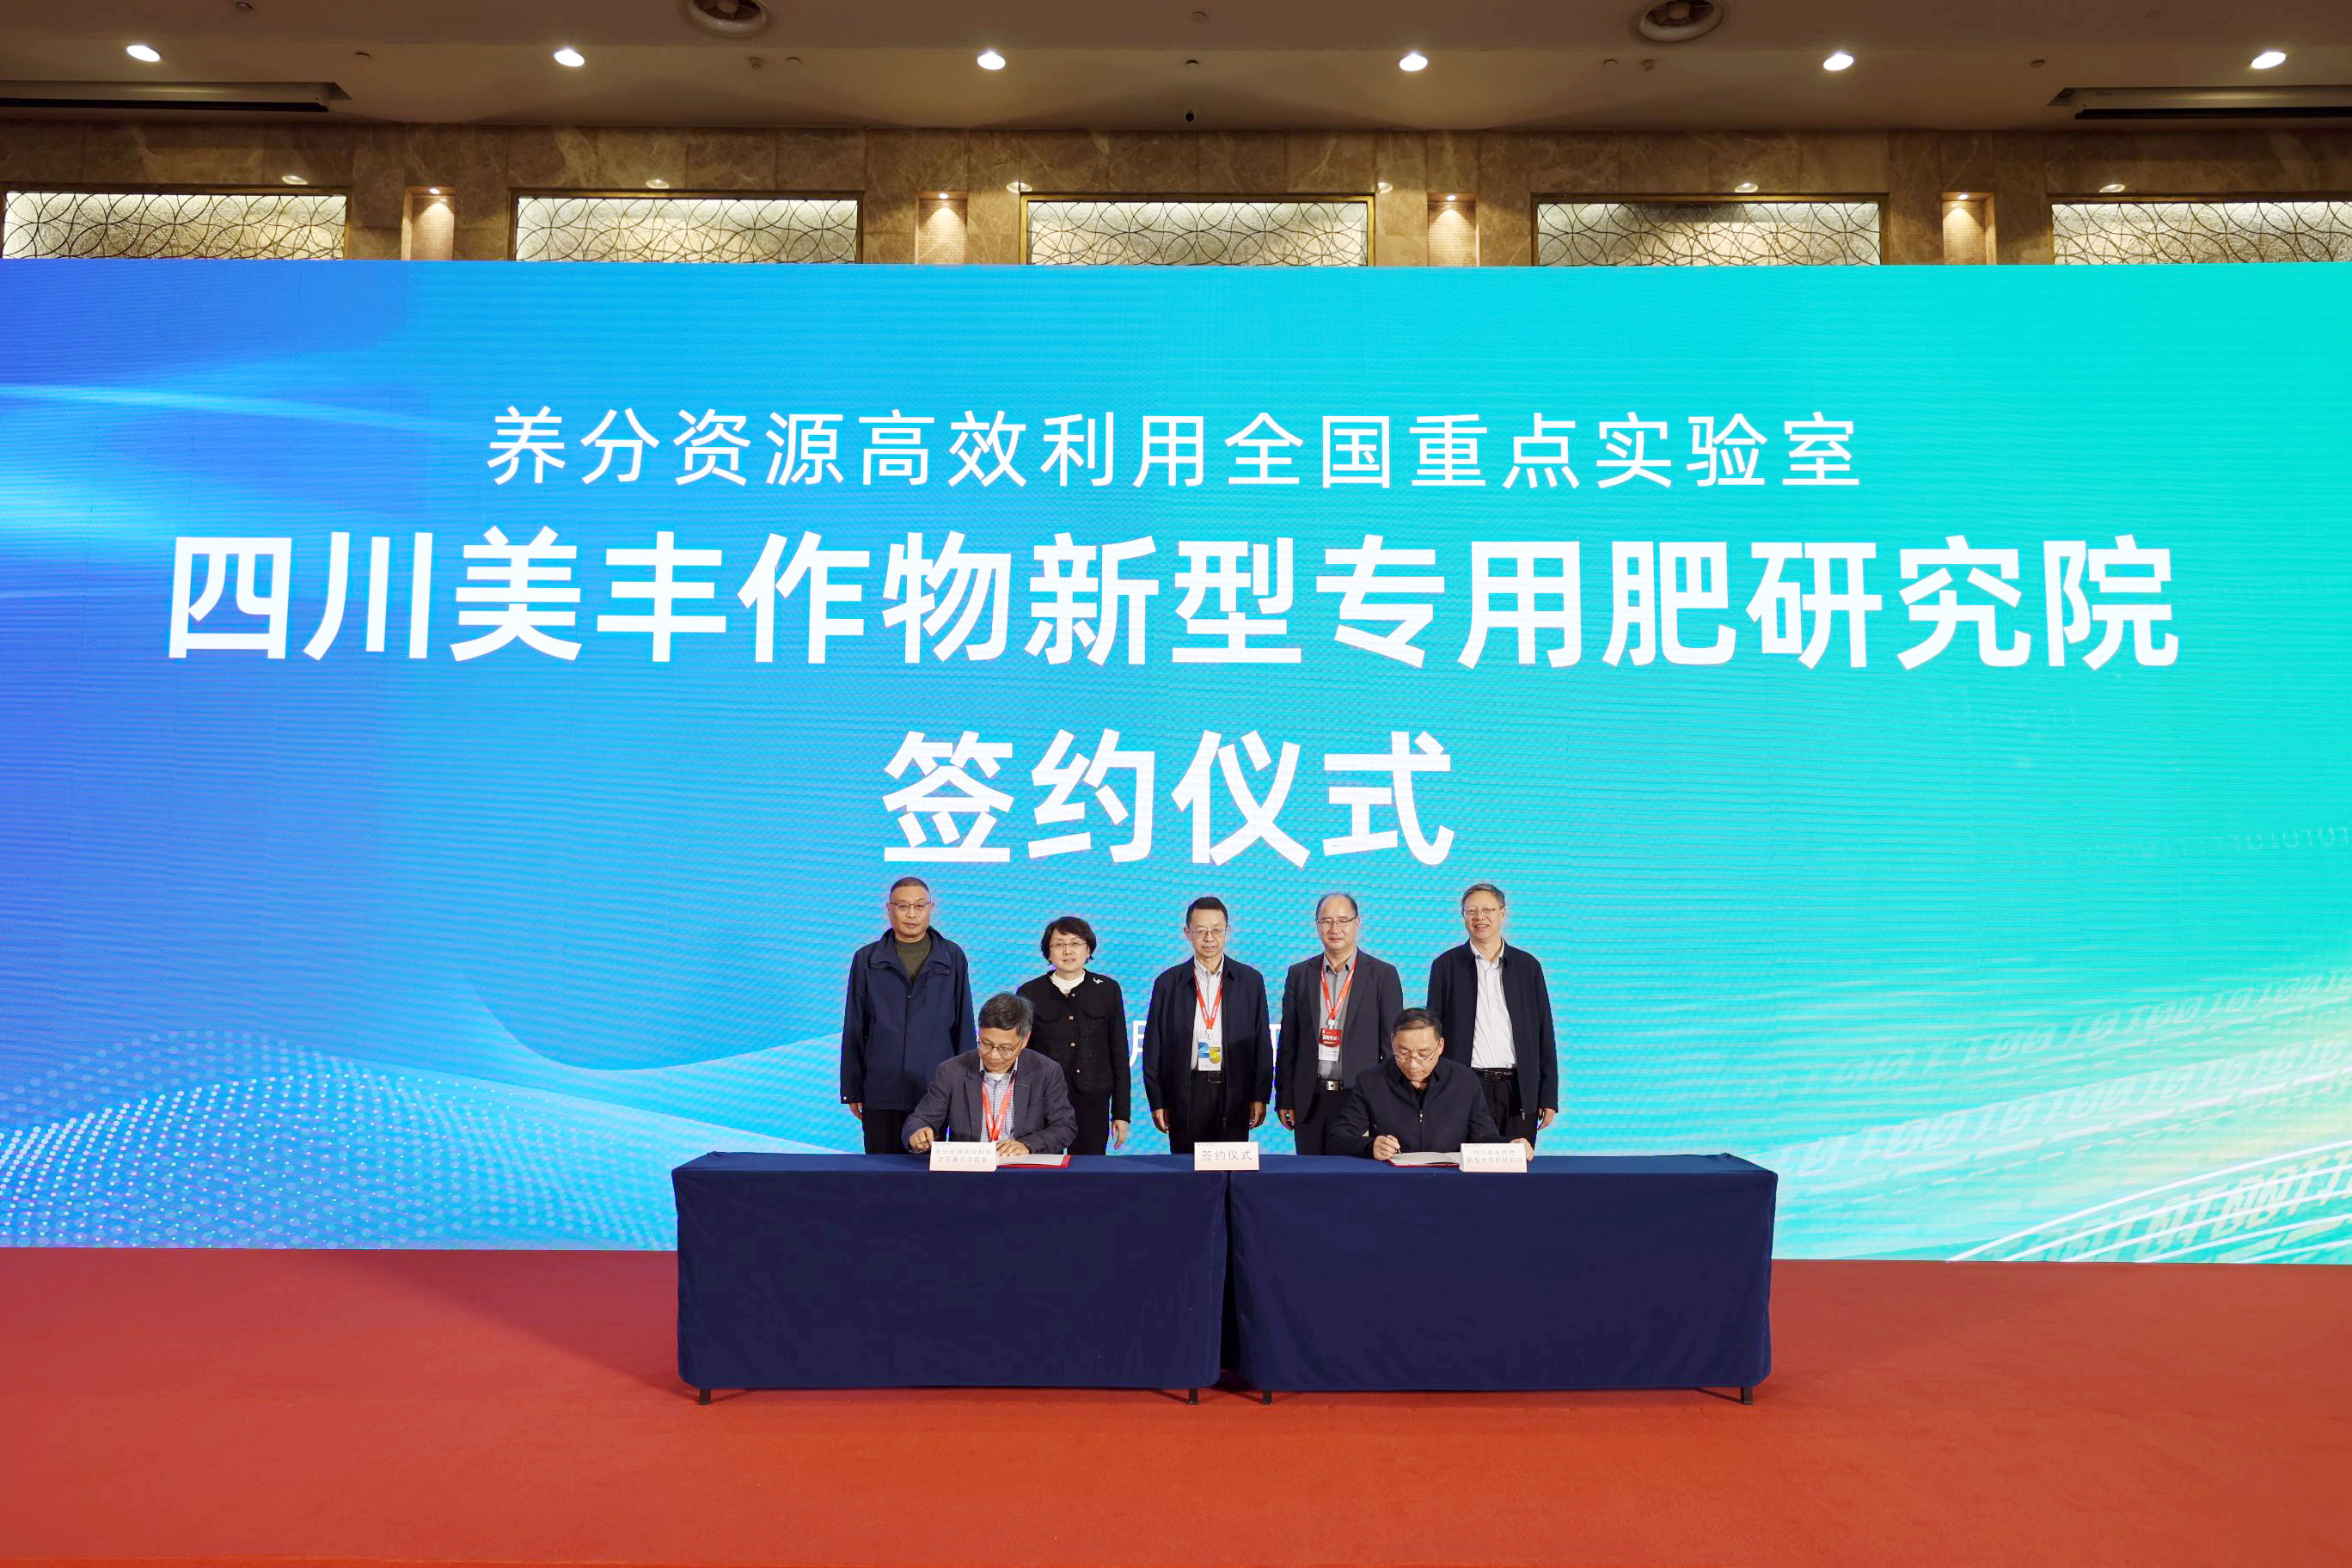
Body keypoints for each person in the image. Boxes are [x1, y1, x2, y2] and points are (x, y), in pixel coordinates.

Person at [840, 876, 975, 1155]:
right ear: (889, 909)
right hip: (882, 1088)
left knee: (929, 1172)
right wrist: (852, 1088)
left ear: (931, 908)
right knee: (882, 1171)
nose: (911, 914)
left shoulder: (951, 956)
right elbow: (854, 1026)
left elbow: (964, 1024)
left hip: (935, 1089)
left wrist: (966, 1088)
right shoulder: (866, 959)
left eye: (919, 906)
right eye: (903, 906)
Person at [1425, 881, 1559, 1147]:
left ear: (1503, 913)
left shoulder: (1527, 966)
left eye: (1487, 910)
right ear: (1463, 916)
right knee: (1464, 1166)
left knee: (1516, 1165)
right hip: (1465, 1086)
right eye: (1471, 911)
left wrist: (1548, 1095)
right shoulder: (1445, 966)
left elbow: (1544, 1032)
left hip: (1518, 1090)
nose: (1480, 917)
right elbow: (1433, 1034)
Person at [1274, 891, 1403, 1155]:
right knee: (1309, 1173)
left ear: (1357, 923)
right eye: (1327, 921)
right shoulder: (1299, 974)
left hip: (1359, 1100)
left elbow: (1391, 1048)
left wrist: (1387, 1103)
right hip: (1310, 1099)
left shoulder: (1383, 975)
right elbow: (1289, 1042)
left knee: (1353, 1175)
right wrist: (1284, 1096)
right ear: (1317, 925)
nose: (1335, 929)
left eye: (1343, 921)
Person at [1142, 896, 1271, 1153]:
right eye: (1200, 931)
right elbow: (1153, 1047)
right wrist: (1158, 1100)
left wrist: (1260, 1095)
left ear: (1228, 931)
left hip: (1235, 1090)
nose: (1209, 938)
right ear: (1187, 933)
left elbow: (1262, 1044)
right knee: (1187, 1169)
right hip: (1186, 1091)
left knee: (1231, 1169)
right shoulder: (1168, 983)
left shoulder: (1250, 981)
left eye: (1216, 930)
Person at [1330, 1009, 1532, 1161]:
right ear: (1392, 1043)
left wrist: (1511, 1145)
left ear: (1440, 1046)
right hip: (1393, 1180)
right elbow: (1338, 1138)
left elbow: (1485, 1138)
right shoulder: (1371, 1081)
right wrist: (1370, 1146)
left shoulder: (1464, 1080)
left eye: (1423, 1054)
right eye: (1403, 1053)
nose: (1413, 1064)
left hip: (1451, 1180)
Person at [902, 992, 1077, 1155]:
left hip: (1021, 1167)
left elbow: (1065, 1126)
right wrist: (918, 1132)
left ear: (1025, 1040)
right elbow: (920, 1120)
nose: (993, 1055)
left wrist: (1027, 1145)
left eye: (1005, 1048)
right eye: (986, 1044)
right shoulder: (951, 1071)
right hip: (970, 1169)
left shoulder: (1046, 1071)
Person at [1016, 915, 1131, 1155]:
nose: (1068, 951)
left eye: (1076, 943)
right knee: (1043, 1170)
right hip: (1043, 1100)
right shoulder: (1029, 992)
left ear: (1088, 950)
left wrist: (1121, 1113)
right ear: (1048, 953)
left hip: (1093, 1099)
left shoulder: (1108, 989)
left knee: (1088, 1171)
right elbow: (1022, 1055)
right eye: (1059, 944)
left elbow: (1119, 1053)